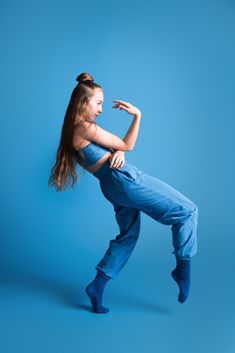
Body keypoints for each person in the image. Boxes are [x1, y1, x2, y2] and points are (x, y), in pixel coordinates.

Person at [48, 72, 199, 314]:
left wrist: (119, 152)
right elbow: (126, 143)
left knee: (127, 236)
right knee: (188, 211)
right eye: (97, 103)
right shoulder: (85, 127)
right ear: (82, 102)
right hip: (124, 180)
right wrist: (137, 115)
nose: (100, 109)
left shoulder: (73, 131)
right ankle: (183, 267)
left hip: (111, 186)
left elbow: (116, 149)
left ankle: (98, 285)